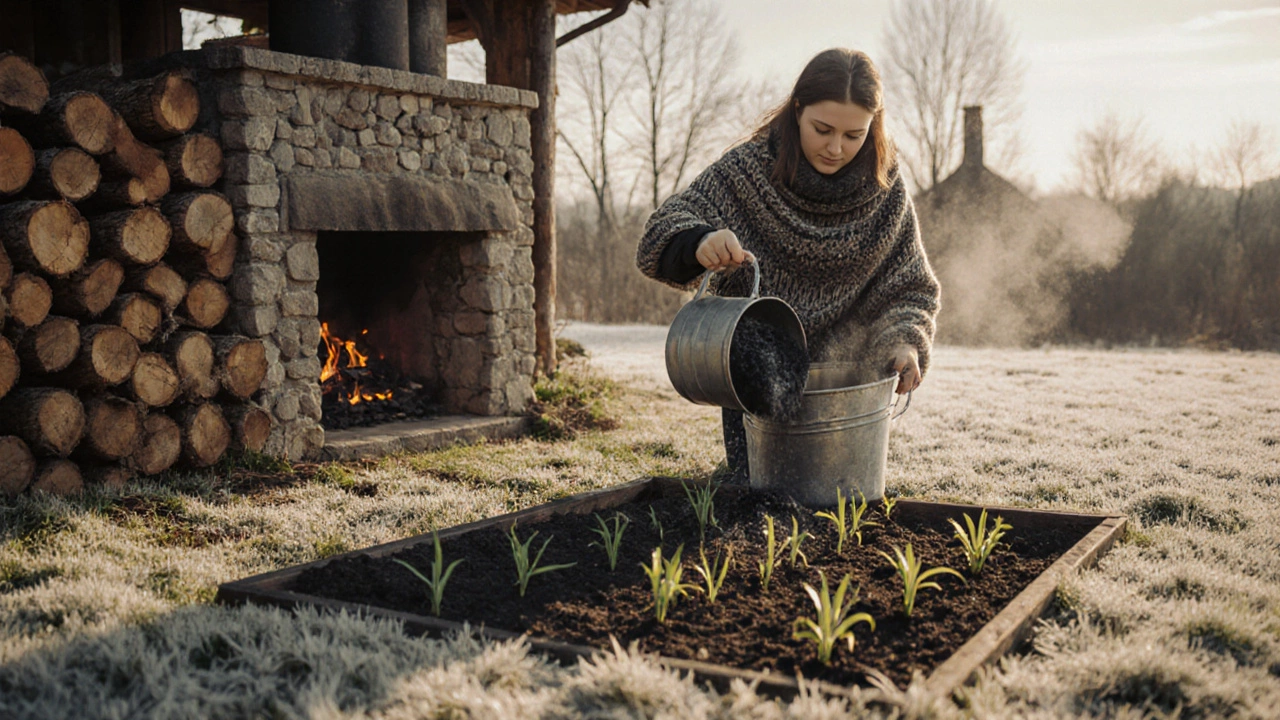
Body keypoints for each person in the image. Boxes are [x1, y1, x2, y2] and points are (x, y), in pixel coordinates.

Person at [636, 48, 940, 484]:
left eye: (854, 135)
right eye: (823, 129)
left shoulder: (885, 189)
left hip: (847, 391)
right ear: (798, 110)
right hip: (756, 382)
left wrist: (906, 342)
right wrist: (700, 242)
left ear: (874, 125)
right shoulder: (746, 172)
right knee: (759, 510)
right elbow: (657, 238)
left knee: (841, 523)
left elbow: (910, 289)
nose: (836, 148)